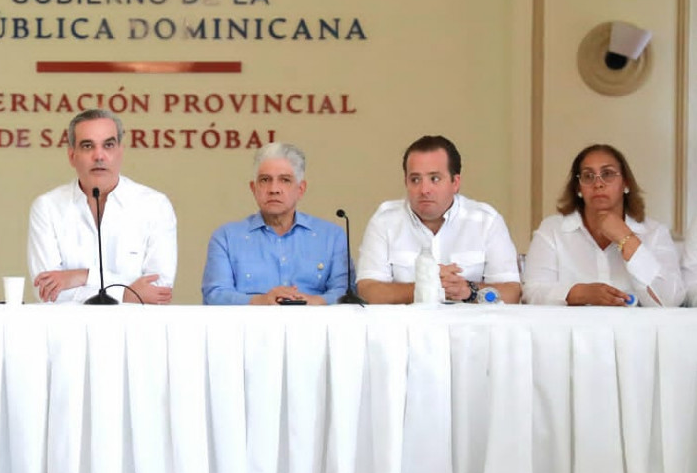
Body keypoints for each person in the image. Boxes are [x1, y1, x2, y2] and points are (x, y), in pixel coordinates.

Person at [28, 108, 176, 303]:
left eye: (108, 145)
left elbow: (159, 291)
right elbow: (47, 293)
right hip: (67, 324)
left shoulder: (155, 206)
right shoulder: (48, 207)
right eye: (88, 146)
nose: (99, 155)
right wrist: (125, 294)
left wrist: (82, 276)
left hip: (136, 323)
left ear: (120, 152)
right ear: (72, 155)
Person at [357, 134, 521, 304]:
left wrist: (469, 291)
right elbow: (368, 292)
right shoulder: (385, 221)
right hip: (407, 321)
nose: (424, 189)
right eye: (415, 179)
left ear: (455, 182)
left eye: (434, 179)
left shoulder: (486, 221)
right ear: (406, 182)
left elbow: (512, 293)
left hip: (470, 321)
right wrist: (427, 286)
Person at [524, 143, 682, 306]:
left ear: (626, 183)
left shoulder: (655, 232)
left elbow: (670, 301)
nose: (598, 184)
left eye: (607, 174)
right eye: (588, 176)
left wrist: (626, 239)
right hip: (572, 323)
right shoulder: (552, 229)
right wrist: (579, 293)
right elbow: (532, 293)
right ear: (578, 188)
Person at [202, 143, 348, 305]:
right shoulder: (226, 238)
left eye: (285, 180)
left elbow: (345, 292)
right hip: (249, 321)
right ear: (254, 188)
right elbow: (215, 295)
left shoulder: (332, 237)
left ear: (301, 189)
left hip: (314, 320)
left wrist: (316, 301)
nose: (274, 189)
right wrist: (260, 301)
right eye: (265, 180)